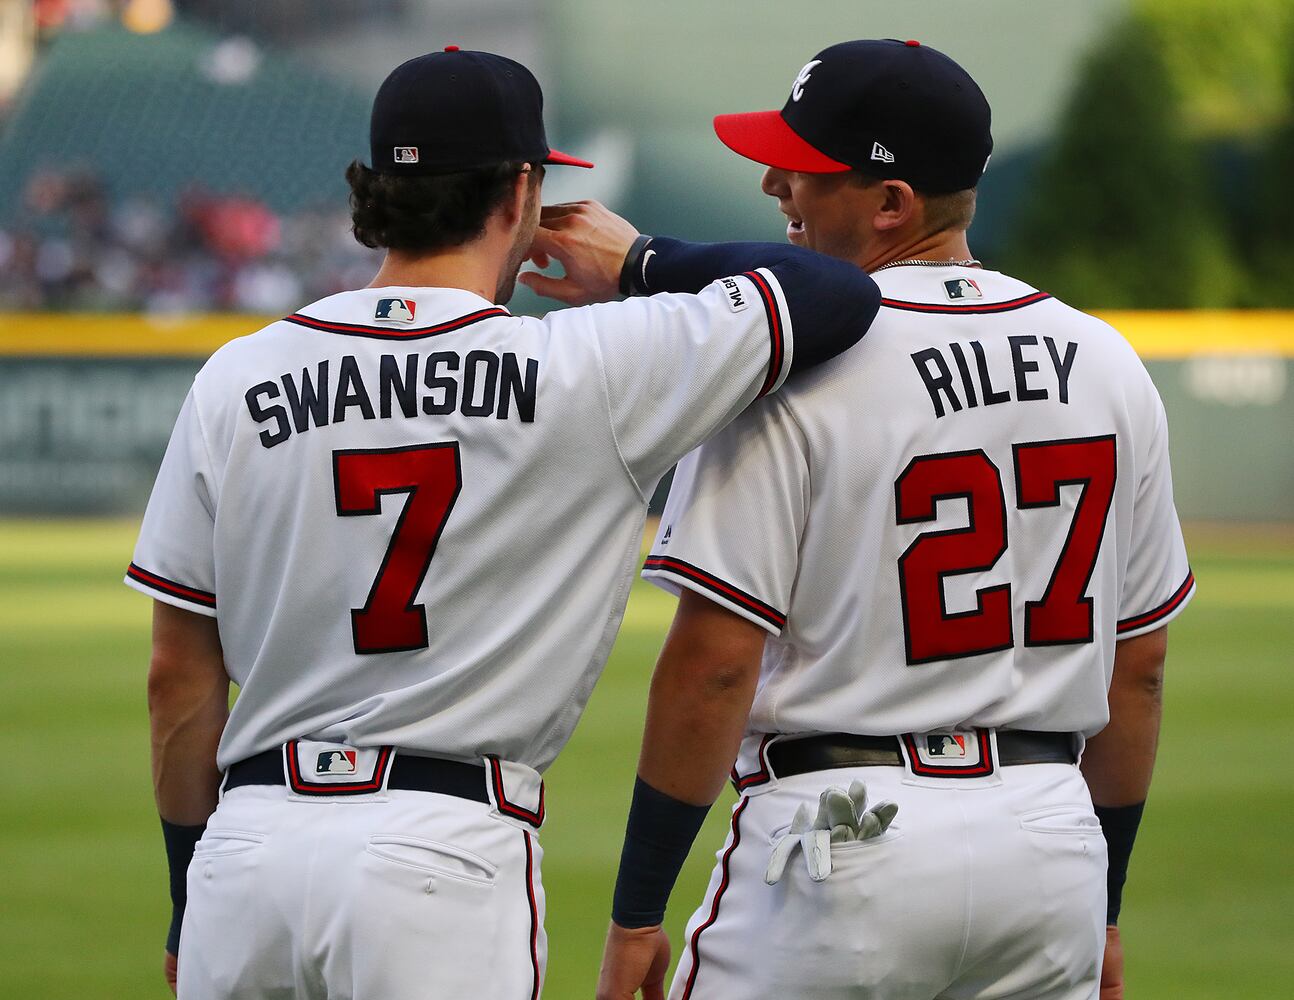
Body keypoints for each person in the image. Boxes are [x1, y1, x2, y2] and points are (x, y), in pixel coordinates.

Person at [128, 46, 883, 1000]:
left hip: (249, 852)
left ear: (378, 190)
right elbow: (836, 294)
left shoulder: (237, 376)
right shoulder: (590, 367)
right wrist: (642, 261)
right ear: (522, 190)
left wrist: (189, 891)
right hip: (439, 854)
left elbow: (177, 676)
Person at [596, 39, 1194, 1000]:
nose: (773, 185)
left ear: (890, 204)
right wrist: (1106, 907)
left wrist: (636, 912)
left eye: (804, 168)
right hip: (1050, 851)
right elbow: (1142, 666)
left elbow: (716, 663)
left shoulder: (788, 366)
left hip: (847, 837)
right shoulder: (1107, 361)